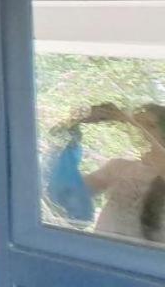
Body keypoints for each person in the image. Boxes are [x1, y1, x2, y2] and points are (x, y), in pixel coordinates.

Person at [60, 103, 165, 244]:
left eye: (150, 125)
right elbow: (68, 194)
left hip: (145, 258)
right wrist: (72, 123)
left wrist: (125, 118)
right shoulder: (118, 167)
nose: (140, 130)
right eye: (139, 123)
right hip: (102, 252)